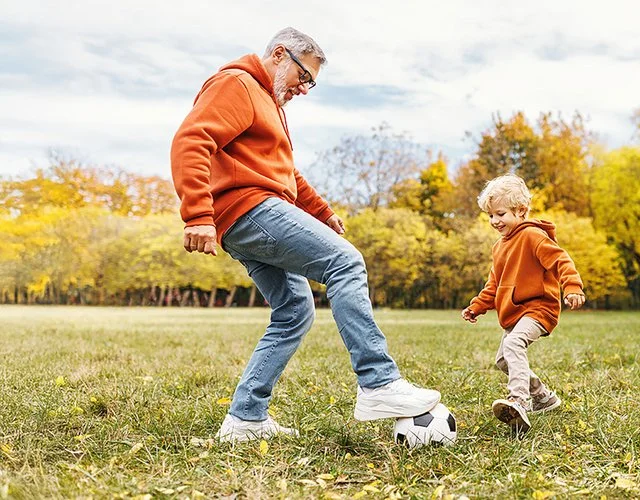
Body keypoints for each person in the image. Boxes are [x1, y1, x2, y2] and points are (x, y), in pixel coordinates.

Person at [170, 27, 440, 443]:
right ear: (280, 54)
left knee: (295, 310)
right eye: (305, 77)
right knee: (345, 262)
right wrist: (197, 215)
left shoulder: (268, 103)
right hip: (249, 208)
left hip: (251, 212)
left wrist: (321, 212)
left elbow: (284, 172)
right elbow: (192, 140)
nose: (305, 88)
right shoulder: (237, 84)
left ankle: (245, 419)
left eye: (312, 83)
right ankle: (379, 383)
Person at [461, 174, 585, 432]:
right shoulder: (499, 247)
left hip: (539, 309)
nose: (495, 221)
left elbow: (561, 260)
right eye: (490, 216)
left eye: (501, 214)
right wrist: (477, 306)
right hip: (514, 313)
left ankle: (519, 399)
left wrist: (572, 286)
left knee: (514, 344)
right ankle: (543, 397)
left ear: (521, 211)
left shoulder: (533, 236)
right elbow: (493, 285)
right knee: (503, 360)